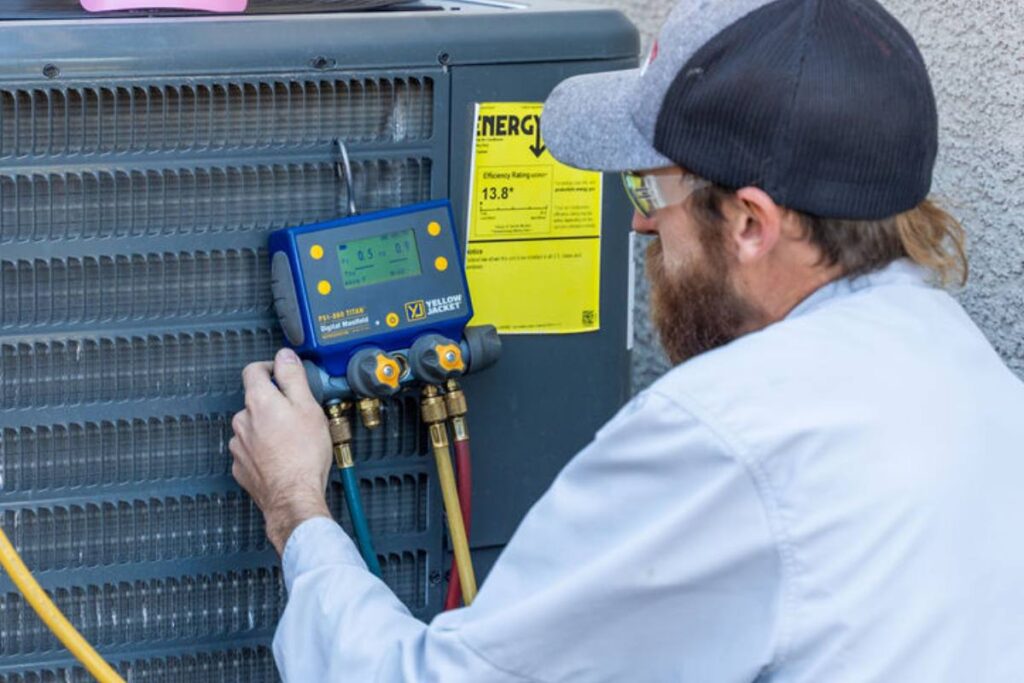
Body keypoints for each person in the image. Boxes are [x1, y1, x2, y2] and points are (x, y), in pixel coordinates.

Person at [228, 0, 1024, 680]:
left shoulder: (723, 431)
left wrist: (297, 509)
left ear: (751, 223)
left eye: (653, 185)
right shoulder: (963, 367)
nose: (639, 218)